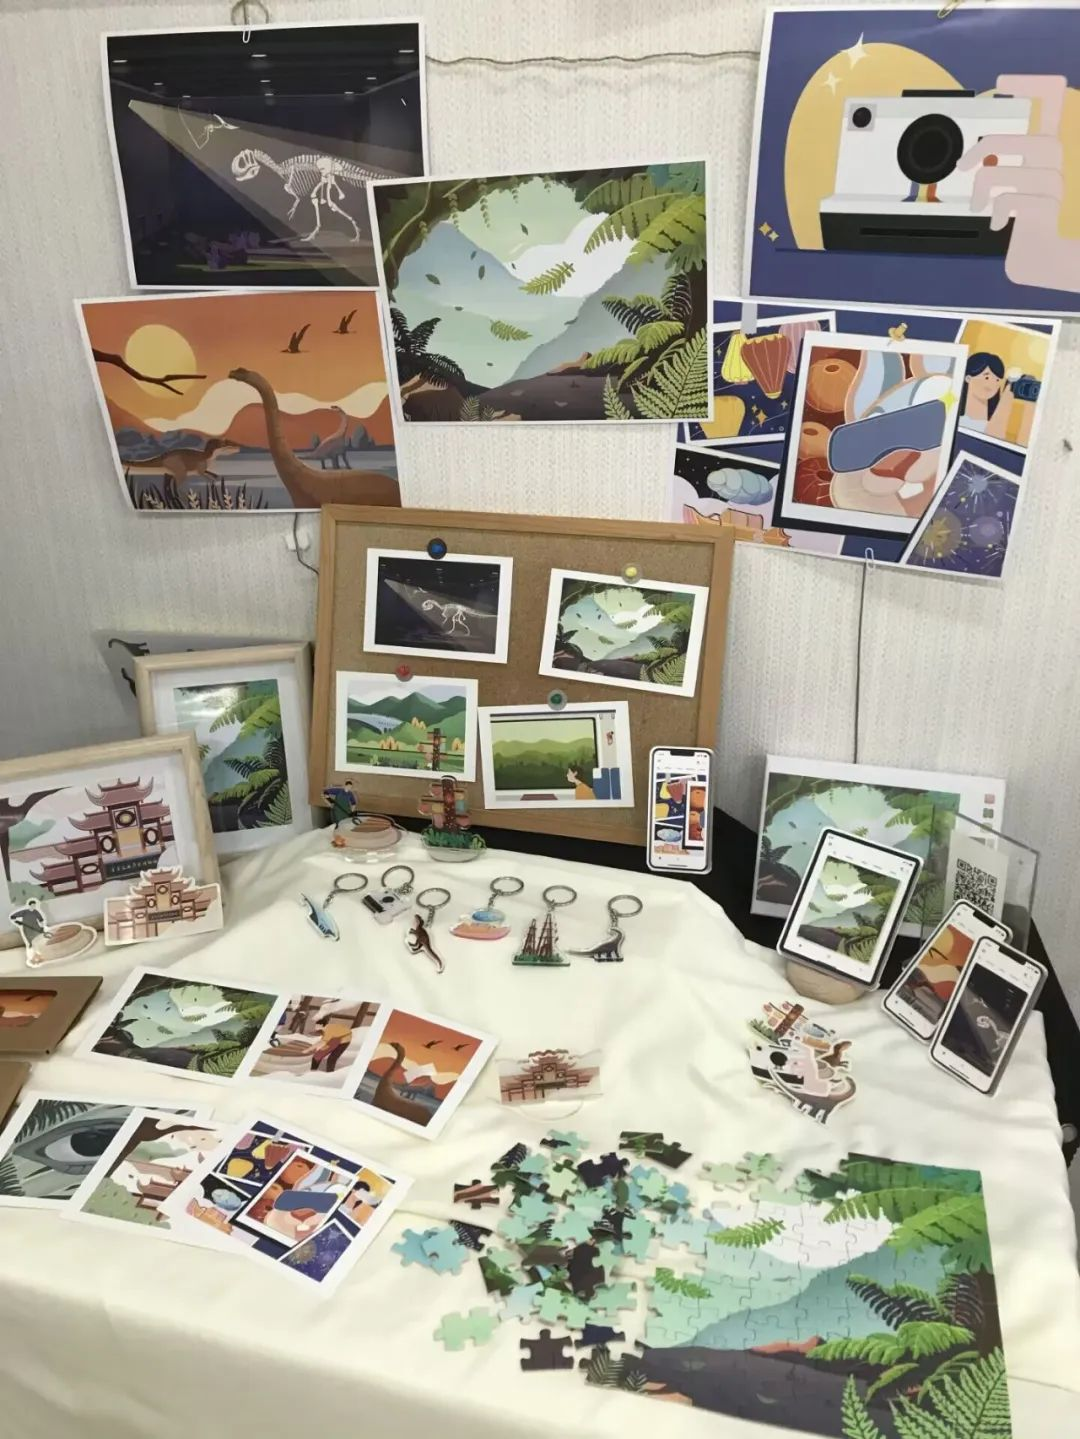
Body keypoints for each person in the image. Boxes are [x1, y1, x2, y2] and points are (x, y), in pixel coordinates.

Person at [959, 351, 1015, 439]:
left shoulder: (995, 425)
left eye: (997, 380)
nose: (993, 383)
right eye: (987, 377)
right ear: (968, 378)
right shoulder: (956, 420)